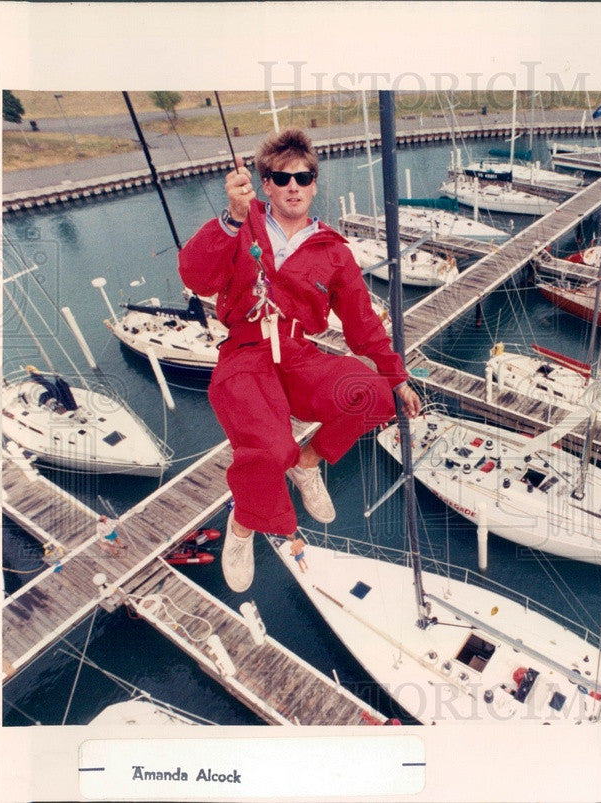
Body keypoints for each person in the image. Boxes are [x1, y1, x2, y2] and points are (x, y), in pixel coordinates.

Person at [178, 128, 421, 594]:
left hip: (297, 353)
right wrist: (230, 219)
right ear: (265, 183)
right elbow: (196, 276)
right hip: (246, 352)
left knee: (373, 393)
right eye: (281, 177)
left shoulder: (332, 250)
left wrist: (396, 376)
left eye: (303, 177)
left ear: (314, 184)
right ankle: (243, 527)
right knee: (270, 450)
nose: (294, 186)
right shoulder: (241, 225)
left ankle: (308, 464)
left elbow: (361, 323)